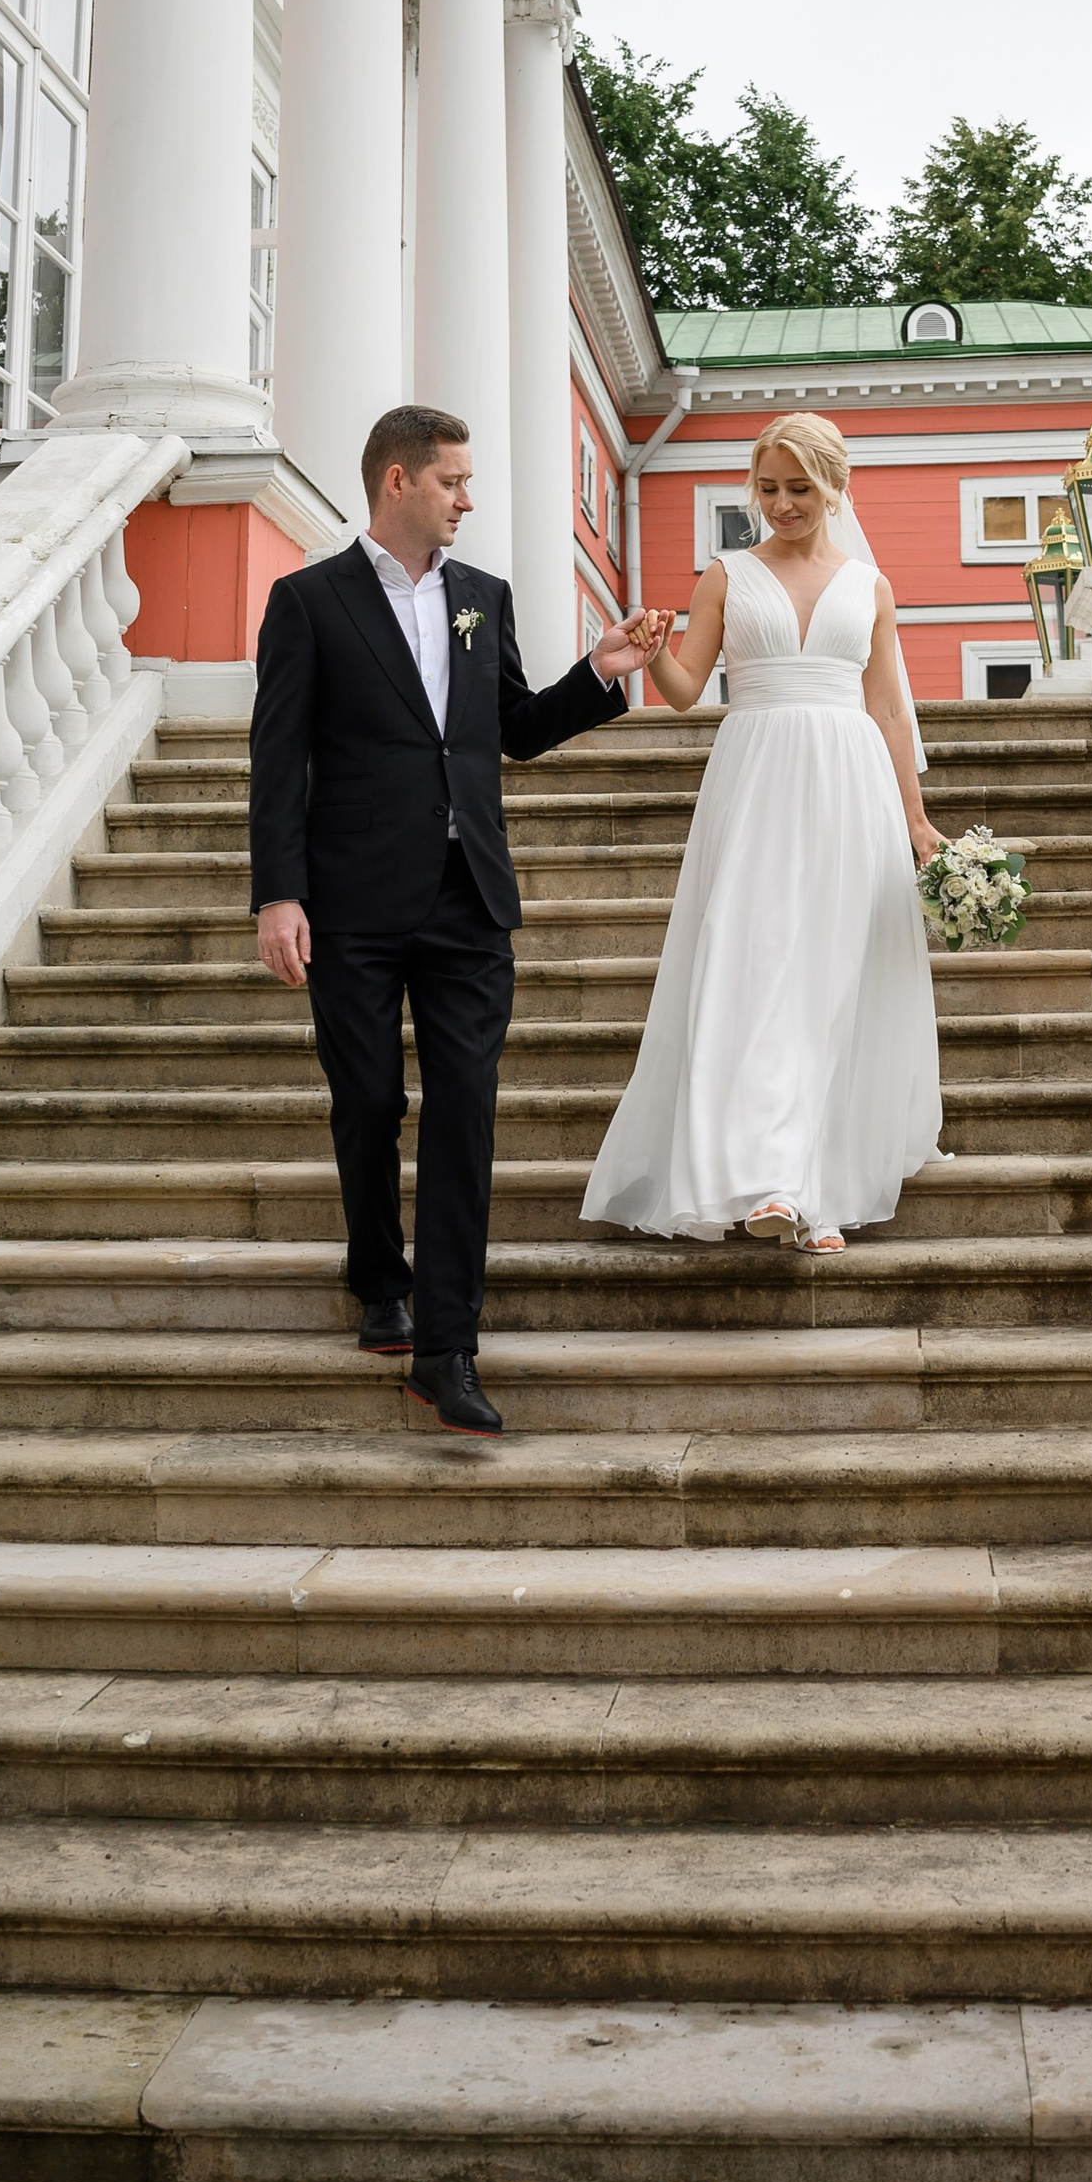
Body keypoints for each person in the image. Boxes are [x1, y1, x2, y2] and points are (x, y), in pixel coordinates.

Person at [249, 404, 657, 1433]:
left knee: (465, 1109)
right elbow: (277, 758)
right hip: (351, 899)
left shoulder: (485, 597)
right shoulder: (308, 602)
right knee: (368, 1101)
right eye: (453, 481)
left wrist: (598, 673)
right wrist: (278, 894)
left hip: (468, 895)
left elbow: (513, 729)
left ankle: (446, 1347)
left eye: (469, 482)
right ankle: (376, 1276)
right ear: (398, 480)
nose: (467, 499)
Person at [582, 410, 944, 1254]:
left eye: (799, 489)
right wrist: (651, 649)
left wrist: (916, 819)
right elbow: (685, 691)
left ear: (834, 488)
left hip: (850, 787)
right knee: (755, 966)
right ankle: (766, 1178)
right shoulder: (726, 576)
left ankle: (816, 1187)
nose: (781, 504)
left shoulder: (871, 587)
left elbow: (889, 708)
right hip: (756, 785)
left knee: (831, 978)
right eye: (769, 488)